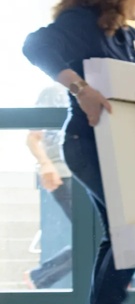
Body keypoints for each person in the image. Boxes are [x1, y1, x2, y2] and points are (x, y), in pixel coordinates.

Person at [22, 0, 135, 304]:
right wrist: (81, 89)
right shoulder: (79, 24)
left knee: (121, 228)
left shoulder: (131, 37)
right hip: (88, 142)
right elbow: (35, 47)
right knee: (128, 224)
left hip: (126, 147)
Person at [24, 86, 74, 289]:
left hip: (83, 173)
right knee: (93, 238)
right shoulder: (54, 92)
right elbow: (32, 137)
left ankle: (38, 277)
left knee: (95, 238)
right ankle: (39, 277)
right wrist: (45, 165)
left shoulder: (89, 91)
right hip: (61, 173)